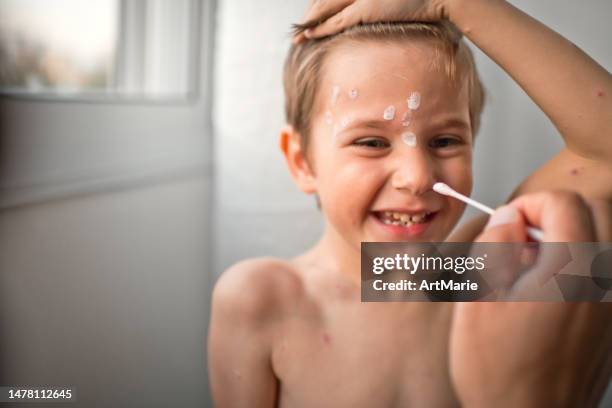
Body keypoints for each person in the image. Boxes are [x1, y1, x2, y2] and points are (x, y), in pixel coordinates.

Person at [208, 0, 612, 405]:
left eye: (445, 141)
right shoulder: (260, 299)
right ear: (301, 162)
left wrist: (455, 4)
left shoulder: (480, 272)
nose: (418, 178)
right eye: (371, 142)